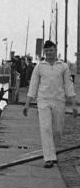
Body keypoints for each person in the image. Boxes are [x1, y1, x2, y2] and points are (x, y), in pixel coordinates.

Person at [23, 40, 78, 168]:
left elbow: (69, 86)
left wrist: (74, 105)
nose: (48, 53)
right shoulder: (39, 67)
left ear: (55, 50)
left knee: (57, 130)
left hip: (59, 101)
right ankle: (49, 158)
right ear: (44, 52)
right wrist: (27, 104)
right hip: (43, 101)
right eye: (46, 51)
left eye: (51, 50)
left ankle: (52, 152)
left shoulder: (63, 66)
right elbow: (33, 86)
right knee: (46, 128)